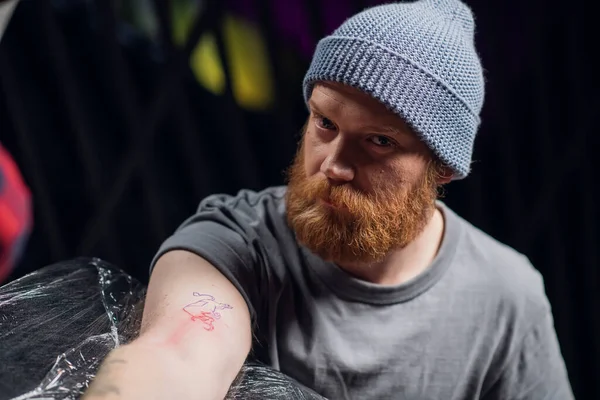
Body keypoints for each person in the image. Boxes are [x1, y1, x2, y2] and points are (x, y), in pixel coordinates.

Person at [84, 0, 574, 399]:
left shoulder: (506, 296)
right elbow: (177, 353)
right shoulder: (236, 243)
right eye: (325, 123)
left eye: (379, 141)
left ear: (441, 168)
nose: (334, 166)